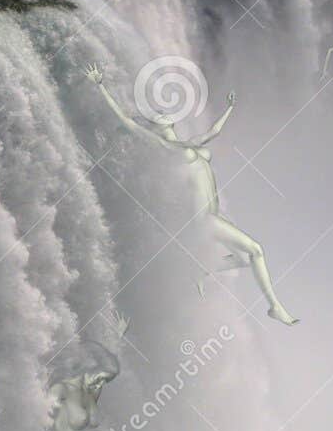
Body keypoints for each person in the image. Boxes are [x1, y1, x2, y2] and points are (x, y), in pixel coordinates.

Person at [84, 65, 297, 324]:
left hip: (214, 214)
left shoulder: (187, 144)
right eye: (157, 115)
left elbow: (214, 132)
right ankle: (274, 306)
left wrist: (229, 107)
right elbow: (127, 123)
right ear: (154, 126)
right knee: (256, 251)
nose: (163, 112)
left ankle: (200, 272)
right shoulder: (162, 145)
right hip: (203, 220)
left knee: (242, 259)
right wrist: (100, 86)